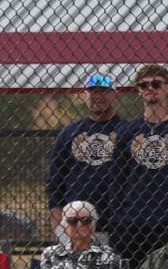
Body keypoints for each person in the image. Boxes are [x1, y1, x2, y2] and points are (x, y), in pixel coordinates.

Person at [111, 64, 168, 266]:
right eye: (143, 85)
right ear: (139, 91)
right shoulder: (127, 131)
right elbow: (117, 177)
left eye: (156, 83)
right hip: (131, 221)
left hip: (167, 221)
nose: (150, 88)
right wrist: (118, 216)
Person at [48, 72, 128, 242]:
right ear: (85, 95)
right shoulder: (70, 133)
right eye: (93, 91)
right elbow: (55, 181)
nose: (98, 96)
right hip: (76, 223)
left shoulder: (127, 131)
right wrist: (57, 223)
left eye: (104, 91)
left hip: (118, 222)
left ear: (115, 95)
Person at [32, 200, 125, 269]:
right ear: (64, 225)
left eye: (86, 220)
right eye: (73, 221)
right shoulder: (51, 253)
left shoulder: (108, 255)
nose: (80, 225)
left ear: (94, 225)